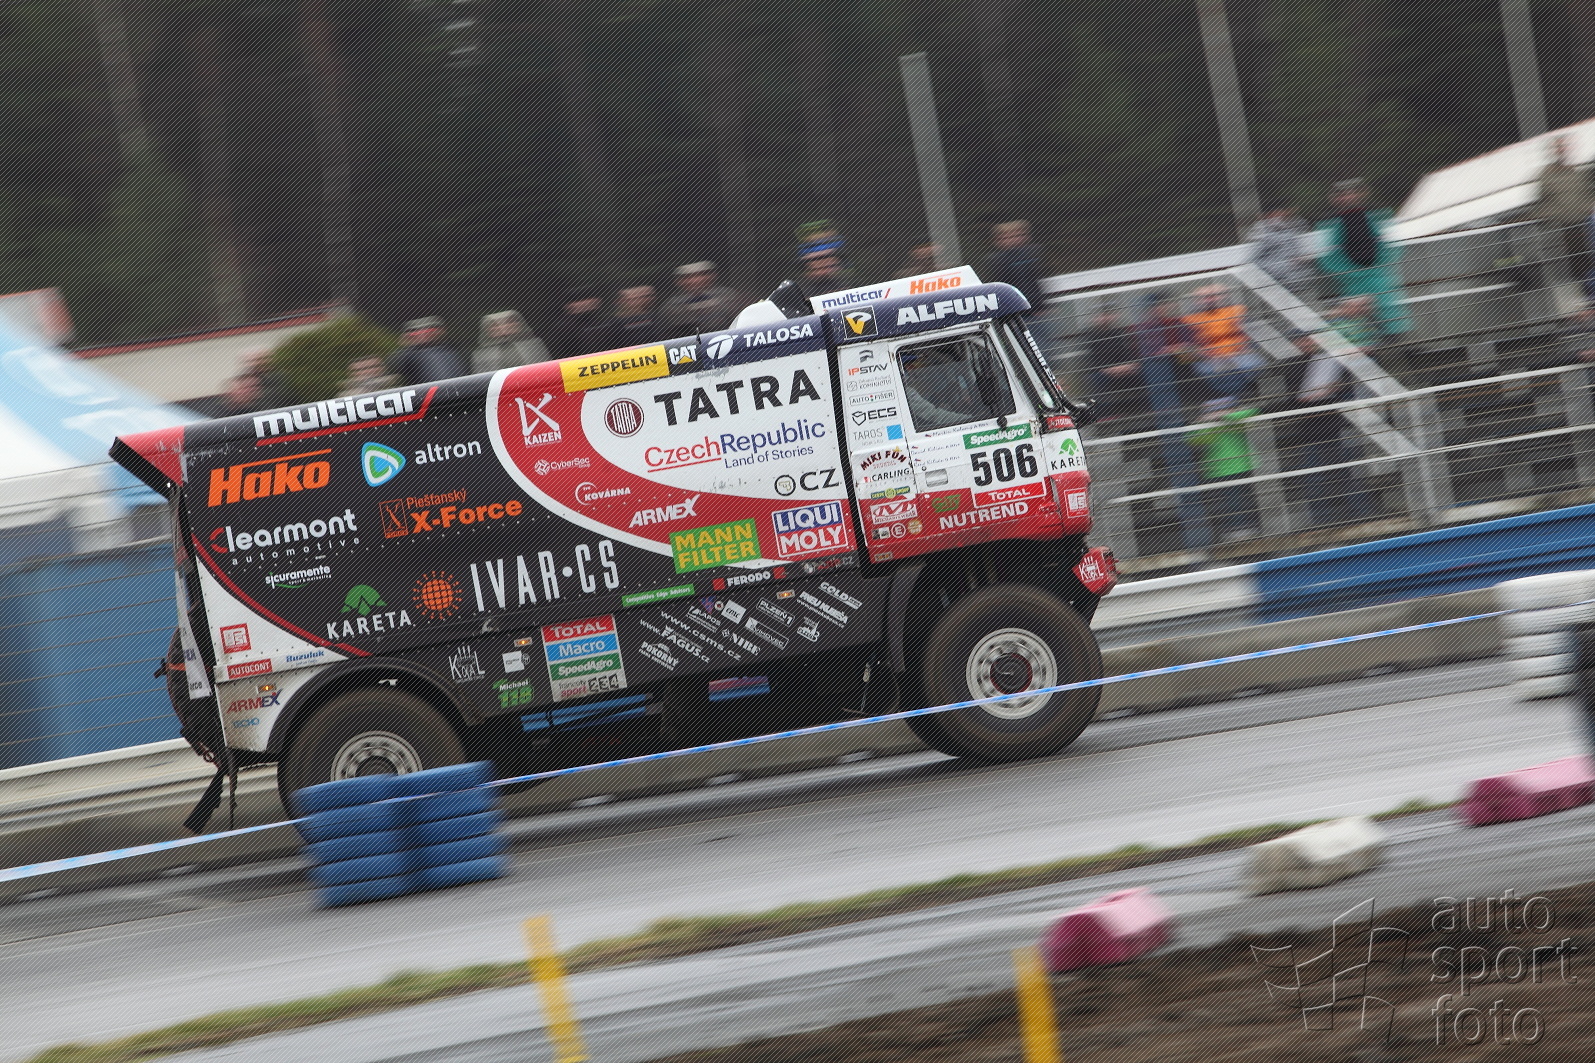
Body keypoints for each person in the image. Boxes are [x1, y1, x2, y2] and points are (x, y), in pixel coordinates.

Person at [1135, 291, 1211, 553]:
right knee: (1183, 473)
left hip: (1189, 404)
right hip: (1168, 410)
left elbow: (1198, 353)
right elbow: (1147, 361)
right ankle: (1197, 540)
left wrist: (1181, 351)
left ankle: (1201, 538)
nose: (1167, 309)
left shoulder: (1180, 325)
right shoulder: (1146, 330)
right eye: (1163, 305)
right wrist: (1170, 352)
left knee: (1197, 472)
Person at [1316, 178, 1413, 342]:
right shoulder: (1326, 223)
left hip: (1380, 277)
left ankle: (1399, 349)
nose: (1348, 197)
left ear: (1363, 193)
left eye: (1353, 192)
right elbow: (1325, 256)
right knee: (1360, 325)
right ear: (1333, 198)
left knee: (1391, 319)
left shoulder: (1379, 214)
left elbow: (1392, 245)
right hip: (1351, 283)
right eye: (1342, 194)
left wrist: (1381, 267)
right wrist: (1348, 274)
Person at [1189, 395, 1260, 543]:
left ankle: (1246, 528)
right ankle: (1236, 529)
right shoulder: (1206, 425)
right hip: (1219, 469)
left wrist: (1224, 416)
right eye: (1214, 411)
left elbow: (1254, 411)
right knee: (1230, 502)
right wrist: (1206, 422)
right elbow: (1192, 439)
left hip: (1241, 465)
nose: (1217, 413)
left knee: (1244, 499)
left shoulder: (1235, 418)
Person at [1530, 134, 1593, 295]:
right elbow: (1542, 202)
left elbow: (1587, 194)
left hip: (1584, 221)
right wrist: (1549, 216)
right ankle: (1590, 294)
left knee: (1586, 259)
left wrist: (1589, 207)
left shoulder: (1575, 171)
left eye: (1565, 146)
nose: (1563, 150)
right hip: (1567, 226)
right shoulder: (1547, 174)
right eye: (1559, 147)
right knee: (1581, 262)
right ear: (1553, 151)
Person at [1183, 282, 1263, 401]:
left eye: (1213, 296)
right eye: (1204, 297)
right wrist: (1210, 355)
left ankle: (1242, 396)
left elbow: (1250, 334)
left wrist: (1237, 350)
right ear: (1196, 301)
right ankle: (1232, 398)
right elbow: (1192, 343)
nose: (1209, 300)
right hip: (1210, 357)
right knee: (1212, 370)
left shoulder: (1236, 310)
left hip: (1239, 352)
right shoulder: (1190, 319)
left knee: (1252, 364)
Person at [1080, 302, 1147, 430]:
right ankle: (1105, 419)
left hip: (1124, 369)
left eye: (1108, 314)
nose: (1105, 318)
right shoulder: (1092, 335)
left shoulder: (1120, 332)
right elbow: (1095, 362)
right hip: (1105, 371)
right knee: (1096, 379)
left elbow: (1129, 355)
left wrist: (1127, 366)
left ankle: (1148, 410)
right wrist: (1111, 369)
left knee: (1150, 372)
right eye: (1101, 315)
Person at [1247, 204, 1317, 299]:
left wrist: (1300, 260)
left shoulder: (1294, 226)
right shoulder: (1262, 232)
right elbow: (1256, 259)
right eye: (1276, 213)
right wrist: (1287, 264)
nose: (1281, 215)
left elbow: (1299, 250)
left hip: (1299, 280)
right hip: (1277, 282)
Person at [658, 261, 742, 334]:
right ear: (679, 281)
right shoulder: (672, 305)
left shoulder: (727, 296)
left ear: (713, 276)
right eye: (688, 277)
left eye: (701, 275)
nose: (695, 280)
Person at [985, 220, 1045, 309]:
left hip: (1038, 308)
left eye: (1018, 235)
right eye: (1006, 237)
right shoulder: (996, 260)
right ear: (997, 240)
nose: (1013, 240)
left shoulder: (1034, 253)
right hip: (1013, 310)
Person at [389, 317, 465, 385]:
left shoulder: (450, 349)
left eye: (430, 330)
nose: (423, 335)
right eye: (415, 332)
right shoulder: (410, 355)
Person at [471, 310, 549, 373]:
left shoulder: (533, 345)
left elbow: (546, 370)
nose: (503, 327)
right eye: (495, 325)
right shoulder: (481, 354)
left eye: (510, 321)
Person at [547, 287, 608, 360]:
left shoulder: (607, 322)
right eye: (582, 300)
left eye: (590, 298)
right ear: (570, 305)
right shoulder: (563, 329)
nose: (588, 303)